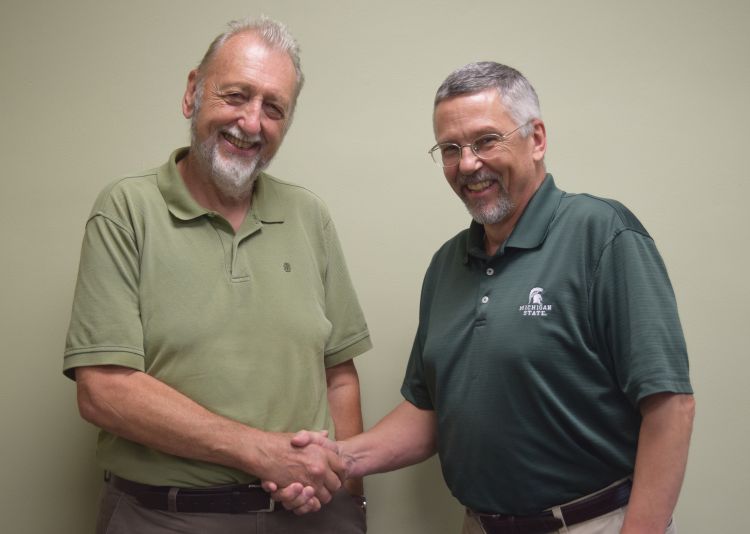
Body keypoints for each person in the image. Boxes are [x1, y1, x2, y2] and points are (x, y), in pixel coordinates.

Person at [268, 62, 695, 534]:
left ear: (536, 139)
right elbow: (429, 411)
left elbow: (670, 406)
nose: (468, 164)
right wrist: (339, 458)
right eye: (450, 149)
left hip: (592, 523)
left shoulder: (602, 235)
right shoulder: (446, 265)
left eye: (486, 141)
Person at [63, 16, 370, 534]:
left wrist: (350, 503)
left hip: (313, 518)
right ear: (192, 94)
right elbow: (103, 390)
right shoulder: (126, 210)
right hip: (166, 516)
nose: (251, 123)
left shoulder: (308, 215)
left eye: (274, 108)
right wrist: (263, 453)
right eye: (236, 96)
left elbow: (338, 375)